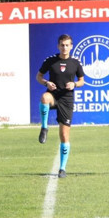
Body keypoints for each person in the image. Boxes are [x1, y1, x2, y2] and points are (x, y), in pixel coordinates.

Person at [36, 34, 85, 178]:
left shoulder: (75, 62)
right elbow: (38, 76)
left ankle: (62, 168)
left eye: (67, 45)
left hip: (67, 99)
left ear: (71, 46)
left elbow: (82, 81)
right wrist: (46, 83)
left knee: (64, 135)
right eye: (62, 45)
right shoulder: (50, 60)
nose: (64, 48)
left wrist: (74, 84)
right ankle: (44, 127)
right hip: (53, 95)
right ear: (58, 46)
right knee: (44, 97)